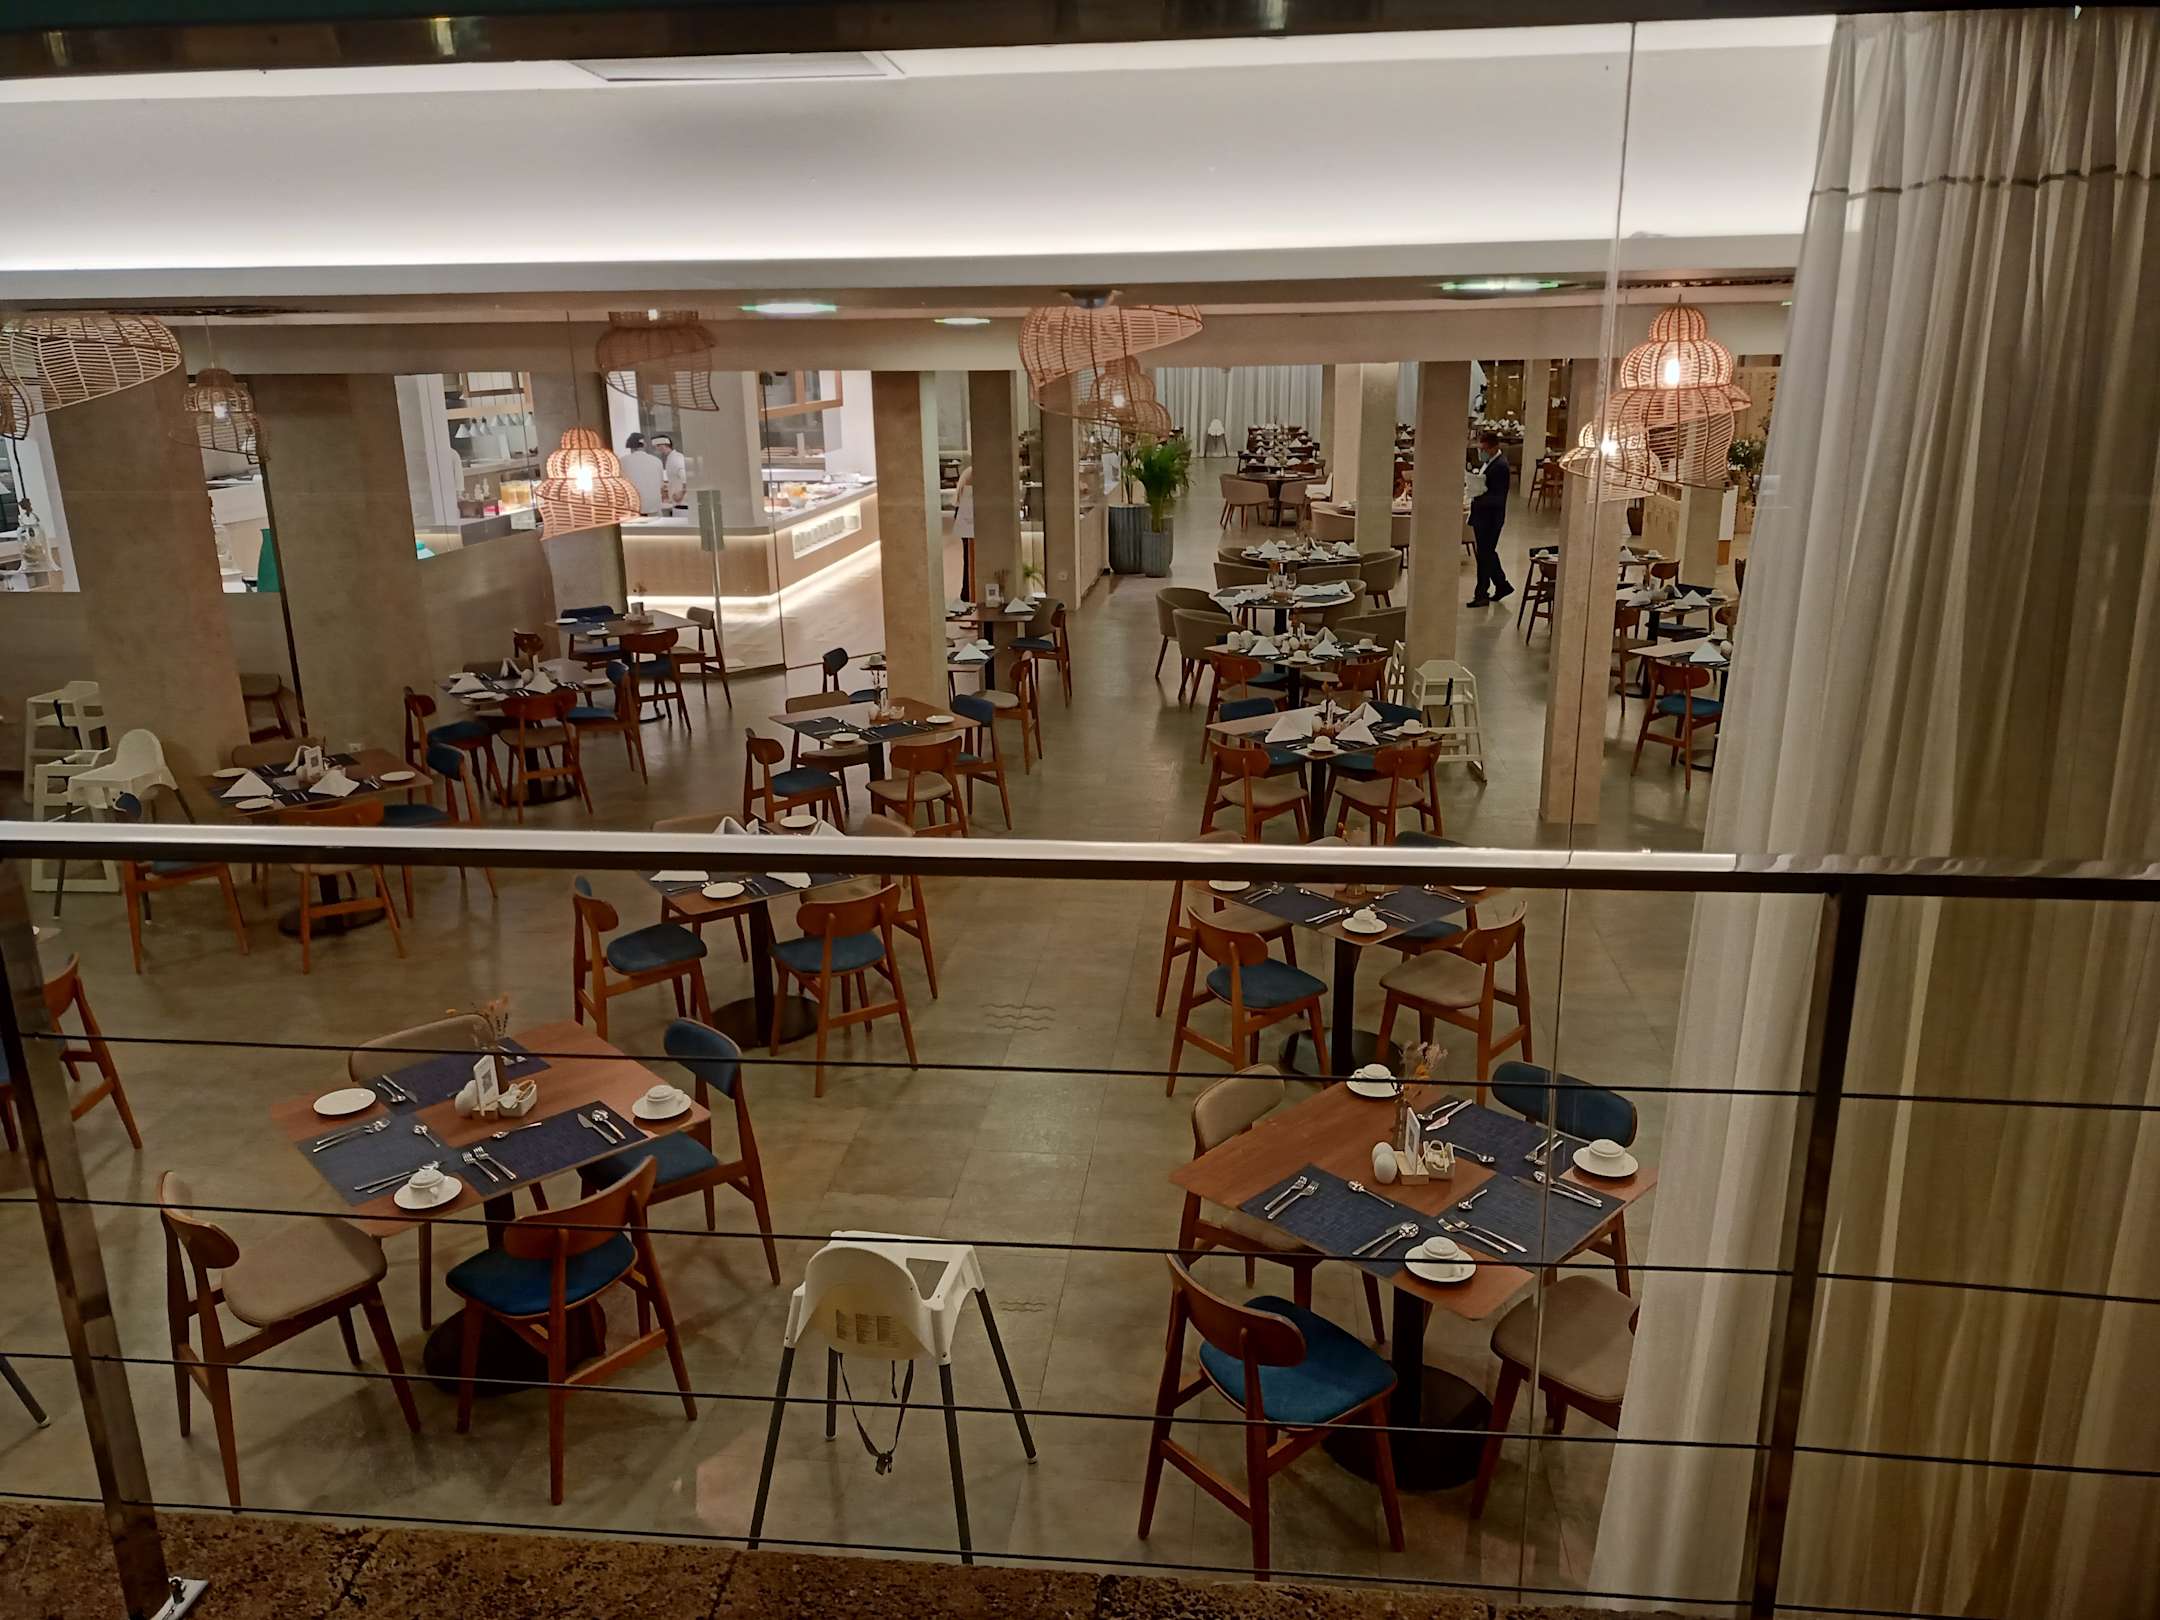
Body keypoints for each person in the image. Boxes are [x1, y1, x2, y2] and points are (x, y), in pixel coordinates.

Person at [1466, 429, 1514, 607]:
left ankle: (1482, 594)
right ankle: (1502, 585)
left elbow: (1498, 497)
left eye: (1484, 449)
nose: (1481, 452)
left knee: (1485, 556)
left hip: (1490, 518)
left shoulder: (1500, 466)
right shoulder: (1489, 463)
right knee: (1487, 554)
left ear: (1494, 448)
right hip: (1483, 516)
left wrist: (1477, 496)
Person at [621, 432, 664, 516]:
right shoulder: (657, 461)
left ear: (630, 446)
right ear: (644, 445)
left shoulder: (622, 461)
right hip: (653, 507)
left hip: (633, 508)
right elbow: (661, 485)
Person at [652, 433, 689, 511]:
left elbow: (686, 477)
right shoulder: (671, 458)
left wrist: (682, 493)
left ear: (665, 444)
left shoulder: (676, 458)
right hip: (678, 503)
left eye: (658, 445)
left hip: (682, 503)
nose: (657, 448)